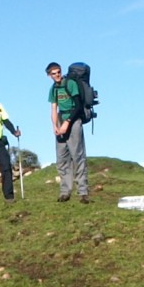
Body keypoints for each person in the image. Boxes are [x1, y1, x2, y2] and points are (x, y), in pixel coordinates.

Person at [46, 62, 89, 203]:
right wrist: (55, 126)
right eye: (53, 73)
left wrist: (67, 122)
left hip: (74, 120)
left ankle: (83, 192)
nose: (57, 75)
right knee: (61, 159)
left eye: (58, 72)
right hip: (61, 119)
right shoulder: (53, 89)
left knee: (77, 156)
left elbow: (77, 106)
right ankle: (65, 192)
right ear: (49, 75)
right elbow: (53, 108)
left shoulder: (70, 83)